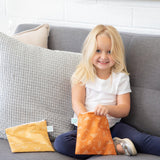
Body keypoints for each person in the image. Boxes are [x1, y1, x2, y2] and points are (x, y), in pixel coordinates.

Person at [54, 24, 160, 159]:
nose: (103, 56)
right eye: (98, 50)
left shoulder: (120, 77)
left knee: (142, 139)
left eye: (109, 52)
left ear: (117, 54)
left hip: (113, 128)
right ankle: (115, 148)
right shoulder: (81, 75)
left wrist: (107, 109)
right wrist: (90, 122)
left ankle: (105, 145)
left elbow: (124, 109)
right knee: (61, 143)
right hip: (87, 129)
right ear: (89, 51)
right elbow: (77, 103)